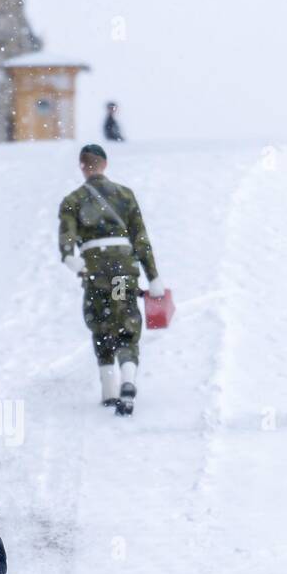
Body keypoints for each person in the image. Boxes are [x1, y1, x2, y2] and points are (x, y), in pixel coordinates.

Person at [58, 143, 166, 414]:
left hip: (95, 273)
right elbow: (141, 238)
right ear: (105, 164)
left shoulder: (73, 200)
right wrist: (152, 276)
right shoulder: (124, 195)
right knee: (124, 321)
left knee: (100, 323)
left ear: (82, 166)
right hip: (121, 272)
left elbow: (67, 237)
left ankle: (108, 390)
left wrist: (71, 258)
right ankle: (127, 383)